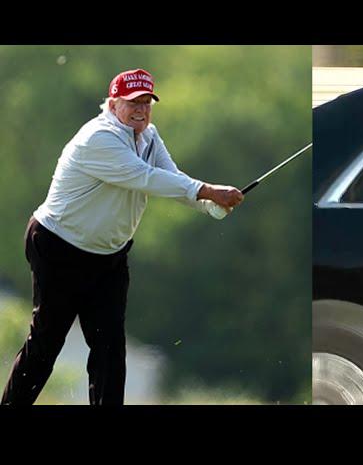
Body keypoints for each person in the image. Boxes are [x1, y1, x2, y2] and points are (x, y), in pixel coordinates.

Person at [1, 69, 244, 405]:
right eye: (133, 103)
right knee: (47, 343)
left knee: (110, 348)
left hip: (108, 257)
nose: (141, 110)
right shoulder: (98, 139)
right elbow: (145, 178)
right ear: (113, 104)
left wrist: (208, 205)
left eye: (147, 102)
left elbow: (171, 177)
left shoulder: (149, 137)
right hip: (58, 247)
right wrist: (208, 191)